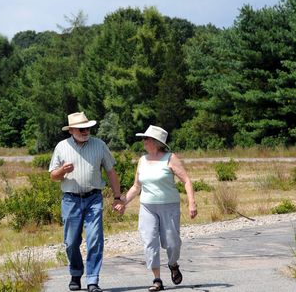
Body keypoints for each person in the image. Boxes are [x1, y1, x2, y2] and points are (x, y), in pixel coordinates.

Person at [115, 125, 197, 291]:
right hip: (148, 207)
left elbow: (186, 180)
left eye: (146, 138)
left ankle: (173, 264)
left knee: (172, 242)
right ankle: (157, 280)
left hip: (169, 206)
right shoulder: (142, 160)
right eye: (144, 138)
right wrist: (123, 202)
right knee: (149, 242)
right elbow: (136, 186)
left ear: (157, 142)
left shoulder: (170, 158)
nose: (143, 141)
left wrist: (192, 202)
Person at [49, 112, 122, 292]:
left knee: (95, 239)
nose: (85, 131)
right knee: (71, 242)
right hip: (70, 200)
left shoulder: (99, 145)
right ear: (72, 130)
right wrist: (62, 171)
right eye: (81, 129)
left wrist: (118, 197)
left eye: (87, 128)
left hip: (93, 198)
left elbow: (111, 172)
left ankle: (92, 280)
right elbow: (53, 175)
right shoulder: (61, 146)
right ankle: (75, 273)